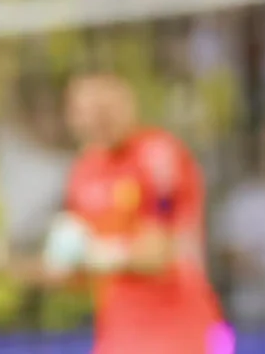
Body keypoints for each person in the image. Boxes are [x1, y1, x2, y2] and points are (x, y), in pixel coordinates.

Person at [53, 74, 231, 354]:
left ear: (128, 104)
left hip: (181, 331)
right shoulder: (82, 172)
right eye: (88, 112)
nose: (99, 120)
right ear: (72, 119)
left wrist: (94, 254)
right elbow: (74, 275)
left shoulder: (159, 156)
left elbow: (156, 254)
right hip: (117, 336)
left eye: (106, 109)